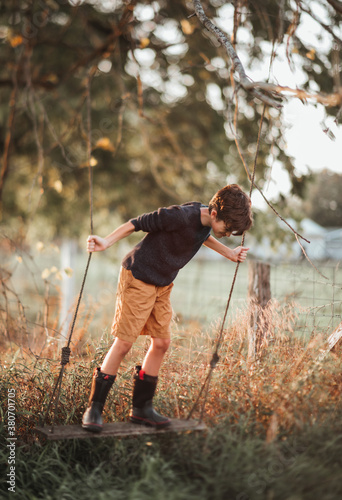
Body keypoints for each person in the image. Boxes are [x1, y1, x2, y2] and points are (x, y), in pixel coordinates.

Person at [82, 184, 252, 432]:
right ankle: (94, 408)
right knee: (124, 343)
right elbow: (138, 222)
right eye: (228, 227)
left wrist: (230, 253)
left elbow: (205, 236)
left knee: (161, 343)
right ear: (214, 214)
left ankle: (141, 409)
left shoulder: (206, 222)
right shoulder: (179, 216)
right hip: (139, 276)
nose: (229, 232)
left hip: (163, 283)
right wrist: (106, 242)